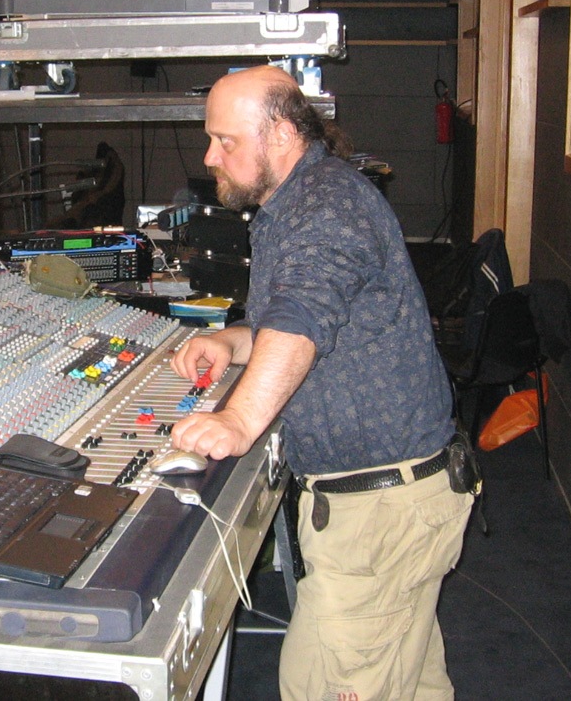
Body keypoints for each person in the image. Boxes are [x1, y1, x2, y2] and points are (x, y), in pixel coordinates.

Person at [169, 65, 475, 700]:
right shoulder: (299, 200)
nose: (209, 157)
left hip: (381, 515)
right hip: (400, 500)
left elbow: (303, 318)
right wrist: (233, 341)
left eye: (225, 141)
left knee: (319, 685)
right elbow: (308, 318)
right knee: (411, 683)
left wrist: (238, 419)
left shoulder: (328, 204)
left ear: (281, 135)